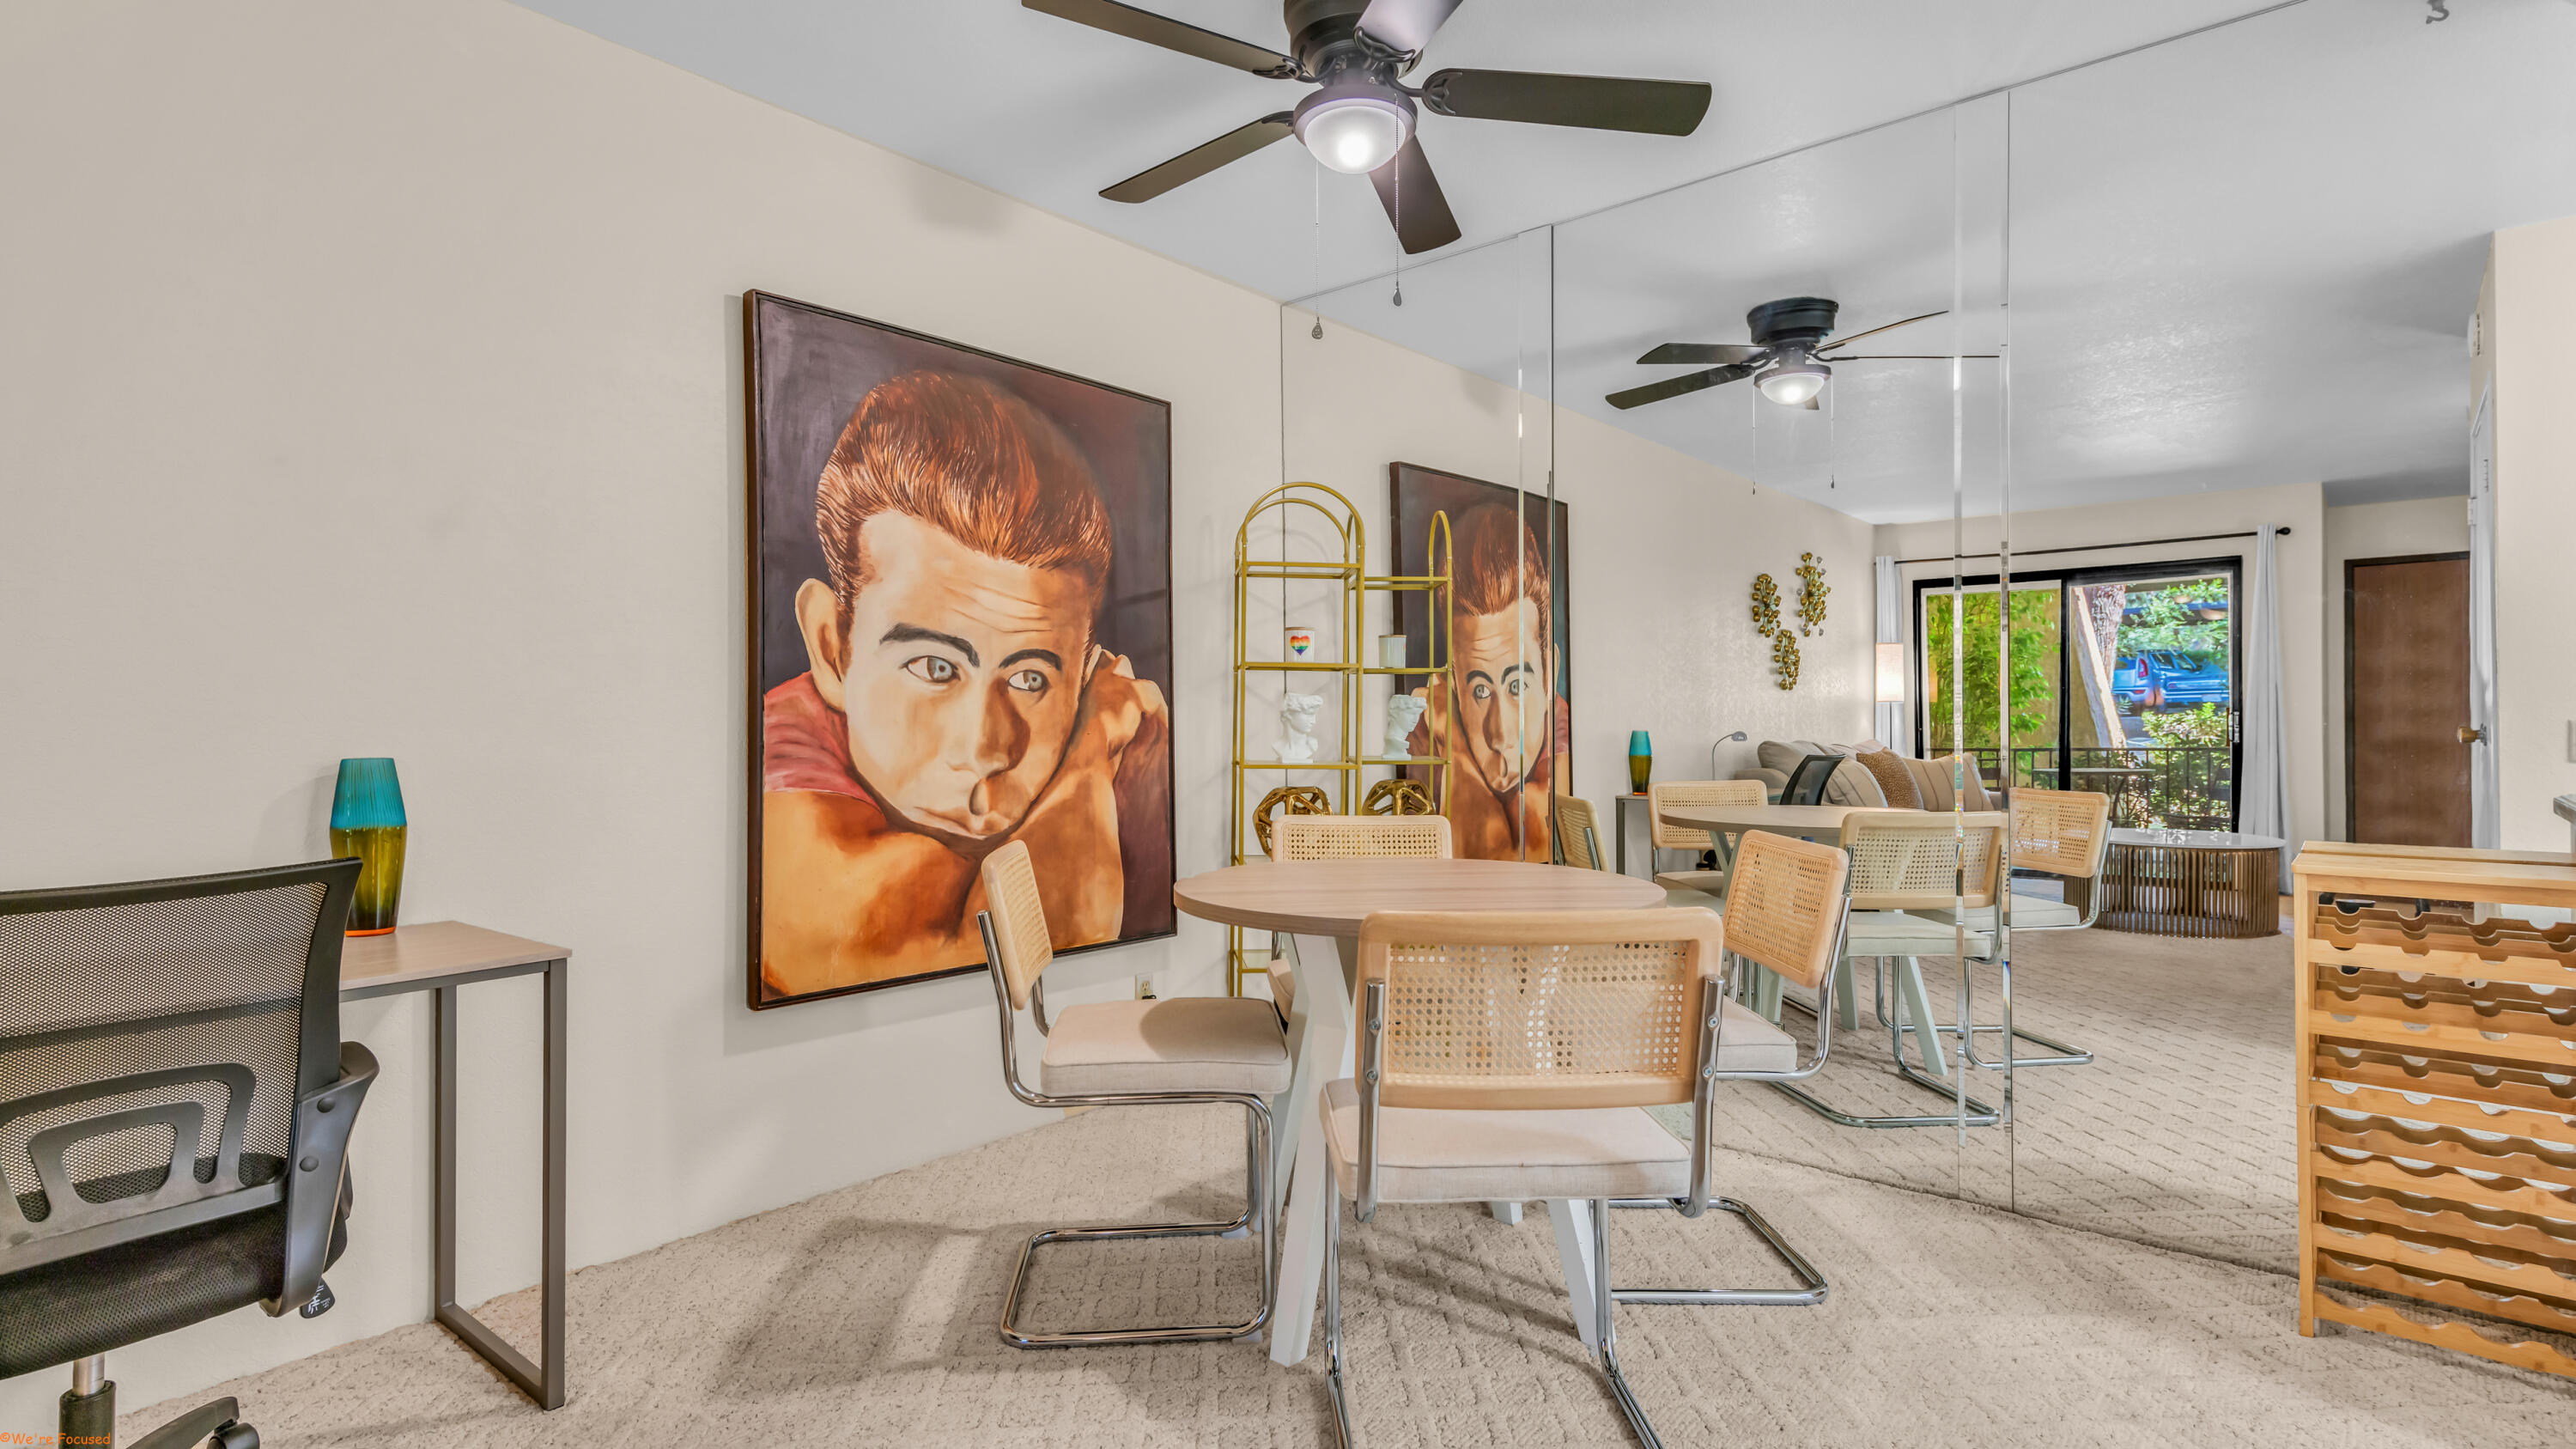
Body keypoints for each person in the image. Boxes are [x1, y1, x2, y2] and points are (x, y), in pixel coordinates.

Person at [761, 370, 1170, 999]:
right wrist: (1092, 748)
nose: (984, 748)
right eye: (934, 667)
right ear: (831, 647)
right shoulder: (775, 769)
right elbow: (1034, 940)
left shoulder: (1132, 735)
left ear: (1084, 677)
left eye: (1030, 677)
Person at [1406, 502, 1571, 861]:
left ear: (1550, 671)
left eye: (1517, 686)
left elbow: (1513, 857)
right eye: (1480, 690)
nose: (1500, 735)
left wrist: (1458, 753)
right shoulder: (1425, 724)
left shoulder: (1565, 740)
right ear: (1452, 684)